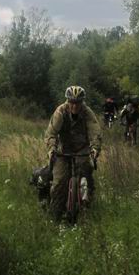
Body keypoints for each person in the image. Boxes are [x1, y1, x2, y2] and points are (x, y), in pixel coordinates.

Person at [44, 85, 102, 221]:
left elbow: (95, 132)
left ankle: (86, 210)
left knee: (88, 180)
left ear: (82, 102)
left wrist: (95, 149)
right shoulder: (61, 111)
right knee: (59, 183)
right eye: (72, 102)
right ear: (67, 101)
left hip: (82, 151)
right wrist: (52, 148)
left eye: (78, 103)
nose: (74, 106)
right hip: (62, 152)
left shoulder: (87, 113)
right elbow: (51, 133)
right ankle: (55, 217)